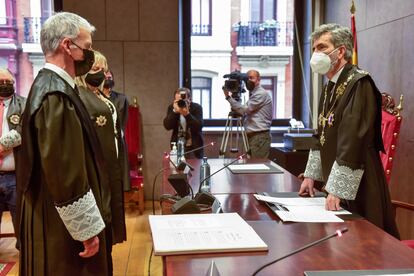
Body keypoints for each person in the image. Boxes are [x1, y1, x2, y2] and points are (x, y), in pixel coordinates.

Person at [16, 12, 113, 275]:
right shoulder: (55, 94)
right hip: (58, 224)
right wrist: (87, 230)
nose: (90, 55)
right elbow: (64, 169)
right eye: (87, 47)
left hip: (53, 213)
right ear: (67, 46)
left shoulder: (50, 86)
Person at [299, 23, 399, 238]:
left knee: (362, 247)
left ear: (340, 51)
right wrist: (310, 176)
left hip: (359, 181)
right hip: (334, 176)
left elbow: (353, 137)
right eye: (314, 48)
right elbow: (322, 134)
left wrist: (337, 188)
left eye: (322, 47)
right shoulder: (330, 86)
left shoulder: (359, 83)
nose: (316, 54)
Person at [76, 50, 127, 246]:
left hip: (111, 161)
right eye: (96, 68)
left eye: (103, 70)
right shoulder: (80, 96)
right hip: (96, 167)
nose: (102, 74)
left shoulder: (99, 95)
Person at [0, 68, 26, 239]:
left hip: (15, 177)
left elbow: (22, 132)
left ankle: (26, 257)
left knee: (22, 223)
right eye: (1, 82)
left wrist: (1, 146)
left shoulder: (24, 104)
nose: (5, 85)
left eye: (9, 82)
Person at [223, 70, 273, 158]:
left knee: (257, 165)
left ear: (259, 79)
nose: (249, 81)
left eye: (251, 78)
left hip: (259, 137)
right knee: (250, 164)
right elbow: (243, 110)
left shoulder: (260, 94)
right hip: (253, 136)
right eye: (247, 78)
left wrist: (228, 97)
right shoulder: (254, 94)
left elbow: (245, 110)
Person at [102, 70, 131, 191]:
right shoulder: (94, 98)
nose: (107, 80)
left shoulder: (121, 99)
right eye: (105, 78)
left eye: (109, 77)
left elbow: (123, 122)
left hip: (117, 140)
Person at [163, 87, 204, 159]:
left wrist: (187, 114)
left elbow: (198, 126)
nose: (180, 102)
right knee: (177, 169)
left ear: (189, 99)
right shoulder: (172, 108)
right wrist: (175, 112)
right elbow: (167, 126)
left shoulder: (196, 108)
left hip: (194, 149)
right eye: (177, 100)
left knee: (195, 169)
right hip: (177, 148)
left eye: (183, 100)